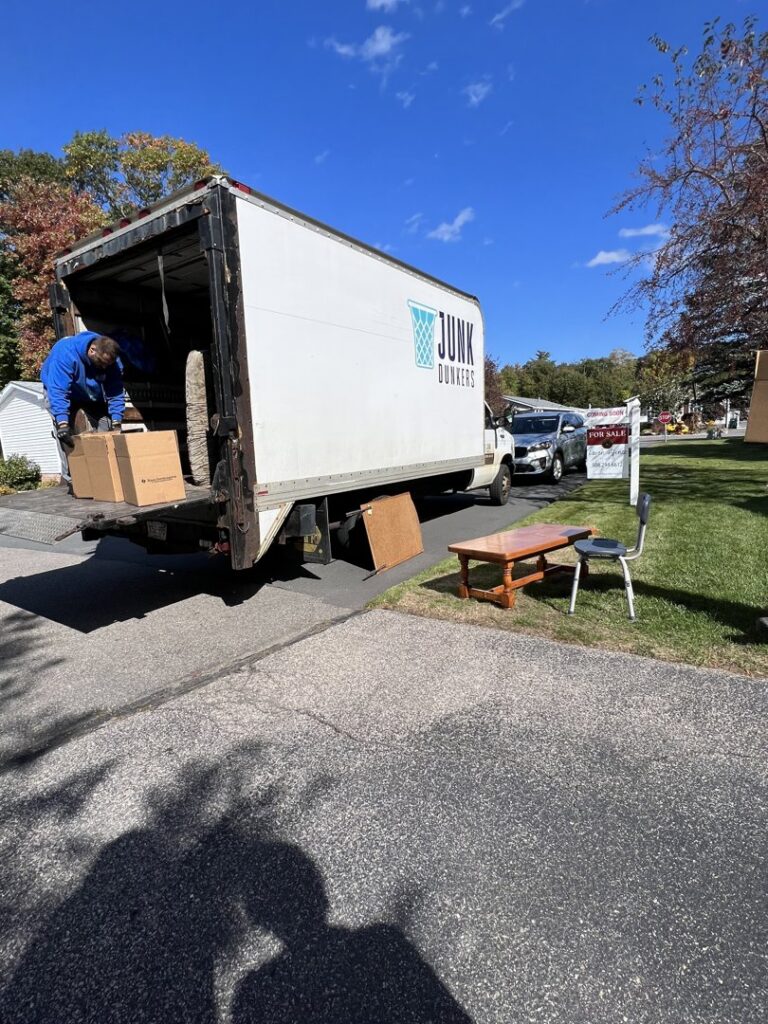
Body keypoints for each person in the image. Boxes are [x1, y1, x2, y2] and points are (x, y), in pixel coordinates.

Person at [40, 331, 124, 449]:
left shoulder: (111, 362)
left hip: (88, 393)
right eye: (101, 363)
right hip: (59, 392)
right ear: (92, 350)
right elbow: (58, 391)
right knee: (67, 438)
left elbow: (115, 392)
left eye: (107, 365)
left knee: (106, 431)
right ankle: (74, 463)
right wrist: (62, 424)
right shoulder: (65, 353)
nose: (104, 368)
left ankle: (102, 462)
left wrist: (117, 422)